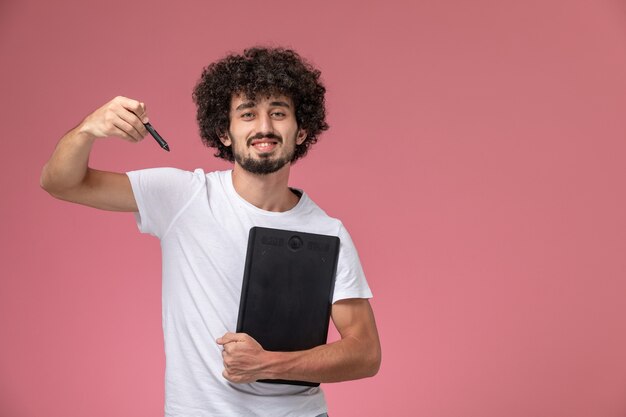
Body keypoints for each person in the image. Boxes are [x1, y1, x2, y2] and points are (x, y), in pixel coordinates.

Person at [41, 47, 381, 417]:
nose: (264, 127)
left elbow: (365, 353)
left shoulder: (328, 232)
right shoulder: (183, 197)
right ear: (224, 132)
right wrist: (90, 128)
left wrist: (268, 364)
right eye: (248, 113)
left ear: (301, 132)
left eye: (278, 113)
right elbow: (61, 183)